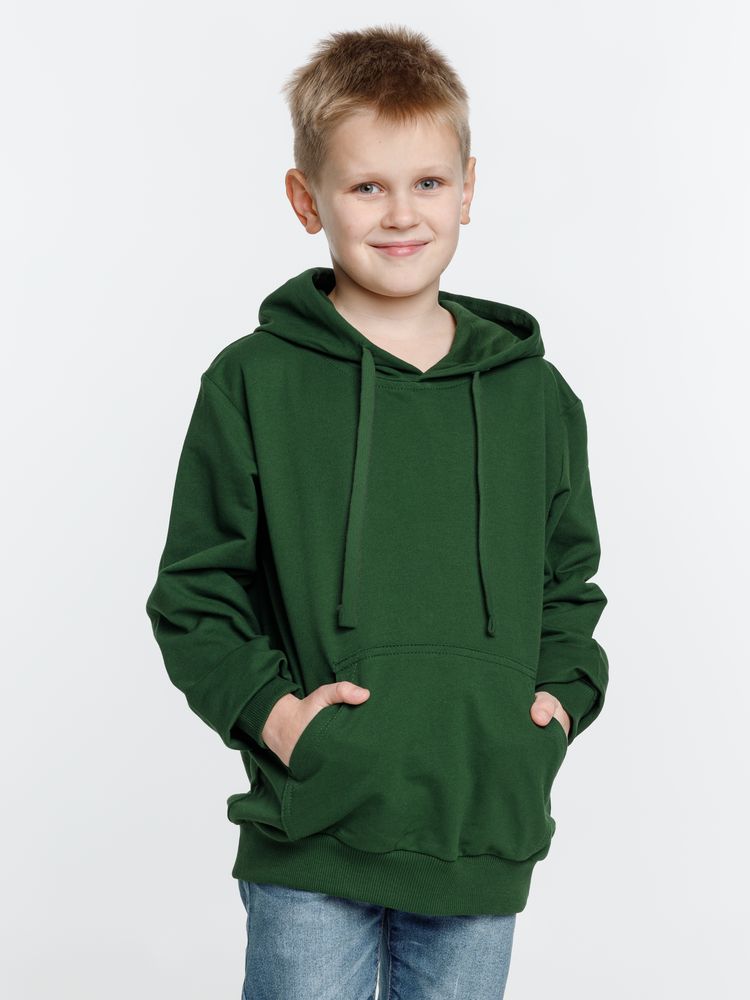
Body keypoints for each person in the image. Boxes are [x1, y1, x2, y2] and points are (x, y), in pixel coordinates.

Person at [145, 24, 609, 1000]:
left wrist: (559, 704)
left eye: (428, 182)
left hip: (483, 828)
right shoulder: (255, 382)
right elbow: (195, 593)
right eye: (366, 186)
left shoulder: (535, 397)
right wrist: (277, 720)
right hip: (313, 830)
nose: (401, 213)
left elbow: (568, 582)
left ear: (469, 189)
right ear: (306, 198)